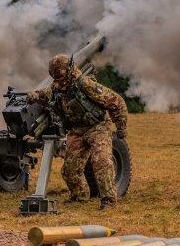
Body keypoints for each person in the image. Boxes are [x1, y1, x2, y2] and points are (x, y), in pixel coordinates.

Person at [27, 54, 128, 209]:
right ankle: (79, 196)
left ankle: (108, 199)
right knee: (69, 170)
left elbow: (116, 101)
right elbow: (47, 93)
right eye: (55, 78)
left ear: (68, 70)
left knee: (101, 162)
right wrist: (35, 95)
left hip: (97, 127)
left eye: (60, 77)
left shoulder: (85, 84)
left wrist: (121, 127)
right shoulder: (57, 86)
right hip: (77, 130)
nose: (59, 82)